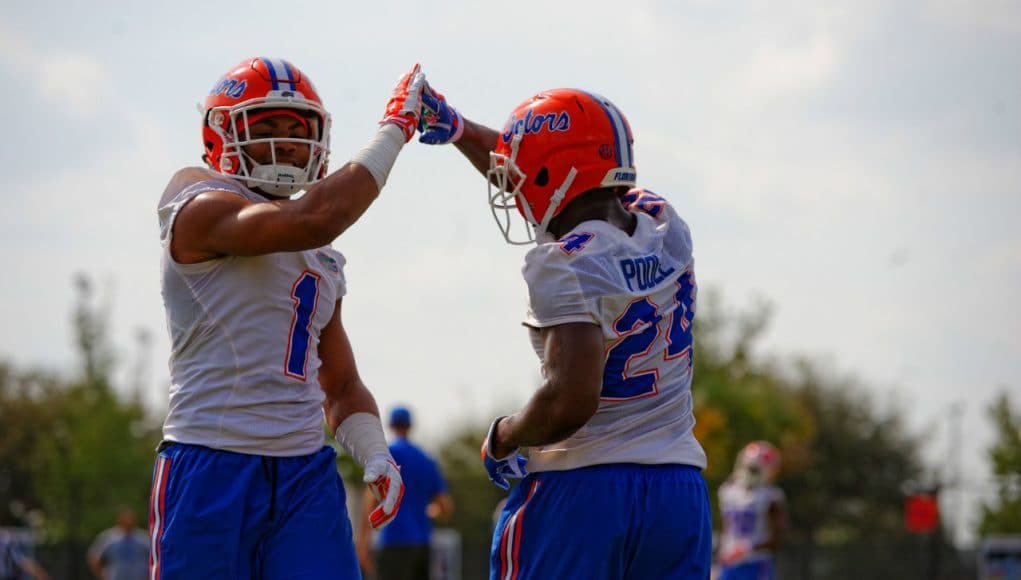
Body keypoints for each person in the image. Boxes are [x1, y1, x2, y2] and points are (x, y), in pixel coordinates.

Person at [417, 86, 712, 578]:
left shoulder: (563, 262)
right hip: (677, 488)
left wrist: (505, 436)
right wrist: (462, 131)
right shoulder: (666, 223)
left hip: (585, 487)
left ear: (555, 175)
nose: (511, 185)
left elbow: (570, 401)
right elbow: (539, 169)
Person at [151, 57, 428, 578]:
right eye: (265, 126)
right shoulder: (198, 206)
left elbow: (341, 383)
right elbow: (314, 216)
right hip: (210, 463)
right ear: (223, 135)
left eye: (294, 130)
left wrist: (375, 453)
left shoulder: (321, 253)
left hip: (306, 473)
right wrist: (394, 130)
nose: (283, 141)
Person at [356, 406, 454, 580]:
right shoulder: (426, 460)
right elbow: (445, 506)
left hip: (393, 542)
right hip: (422, 544)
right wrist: (428, 512)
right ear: (410, 426)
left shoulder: (386, 456)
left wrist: (363, 544)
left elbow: (370, 501)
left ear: (390, 425)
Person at [717, 441, 788, 580]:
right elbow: (726, 527)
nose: (747, 471)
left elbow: (779, 535)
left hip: (756, 562)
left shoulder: (771, 496)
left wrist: (749, 548)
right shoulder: (728, 491)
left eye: (752, 469)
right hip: (729, 560)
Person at [87, 507, 149, 580]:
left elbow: (155, 556)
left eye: (131, 519)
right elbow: (94, 557)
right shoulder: (109, 538)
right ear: (119, 520)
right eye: (126, 519)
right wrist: (102, 575)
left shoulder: (143, 538)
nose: (129, 522)